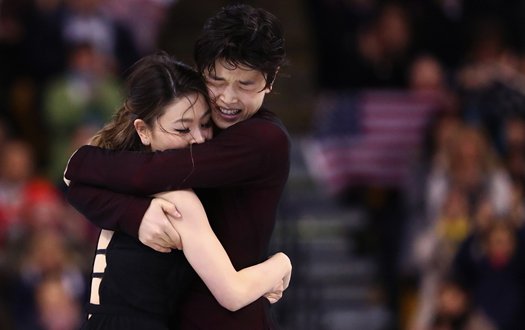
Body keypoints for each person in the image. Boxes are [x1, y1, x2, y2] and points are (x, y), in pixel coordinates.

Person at [65, 4, 290, 329]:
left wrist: (281, 263)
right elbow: (79, 184)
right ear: (202, 71)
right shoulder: (197, 122)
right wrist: (137, 216)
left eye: (245, 84)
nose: (227, 98)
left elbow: (140, 173)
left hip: (229, 319)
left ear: (271, 79)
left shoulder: (263, 139)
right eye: (216, 79)